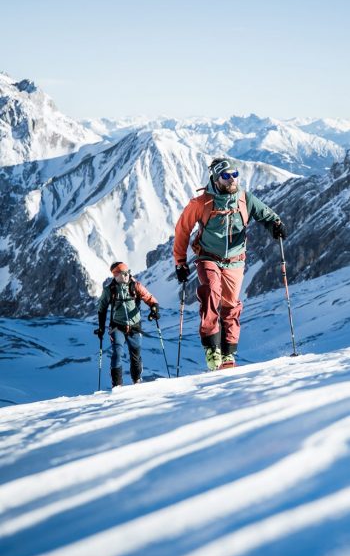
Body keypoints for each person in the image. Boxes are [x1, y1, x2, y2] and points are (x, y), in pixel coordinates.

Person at [173, 157, 287, 371]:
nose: (232, 179)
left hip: (235, 260)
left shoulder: (245, 199)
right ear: (216, 179)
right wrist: (180, 262)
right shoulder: (201, 203)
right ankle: (211, 347)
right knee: (210, 291)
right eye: (226, 176)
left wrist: (275, 225)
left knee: (231, 307)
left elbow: (266, 215)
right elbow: (182, 231)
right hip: (208, 256)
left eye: (235, 174)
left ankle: (228, 355)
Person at [95, 261, 160, 387]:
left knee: (135, 357)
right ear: (116, 275)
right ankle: (117, 385)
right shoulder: (110, 290)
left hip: (135, 326)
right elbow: (101, 309)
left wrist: (154, 309)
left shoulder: (135, 286)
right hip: (117, 327)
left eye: (127, 273)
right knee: (117, 353)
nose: (126, 276)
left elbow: (150, 298)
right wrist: (101, 328)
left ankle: (137, 381)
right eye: (123, 274)